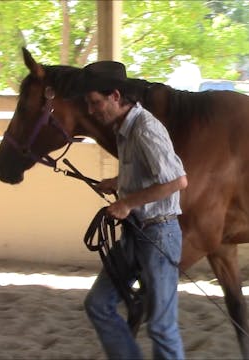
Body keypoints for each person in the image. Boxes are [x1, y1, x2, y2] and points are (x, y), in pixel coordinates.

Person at [78, 60, 188, 360]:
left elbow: (177, 180)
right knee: (98, 304)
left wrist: (127, 202)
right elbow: (149, 174)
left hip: (158, 234)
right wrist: (118, 182)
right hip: (135, 233)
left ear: (115, 95)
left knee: (162, 327)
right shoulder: (124, 129)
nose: (92, 111)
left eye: (95, 103)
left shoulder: (144, 129)